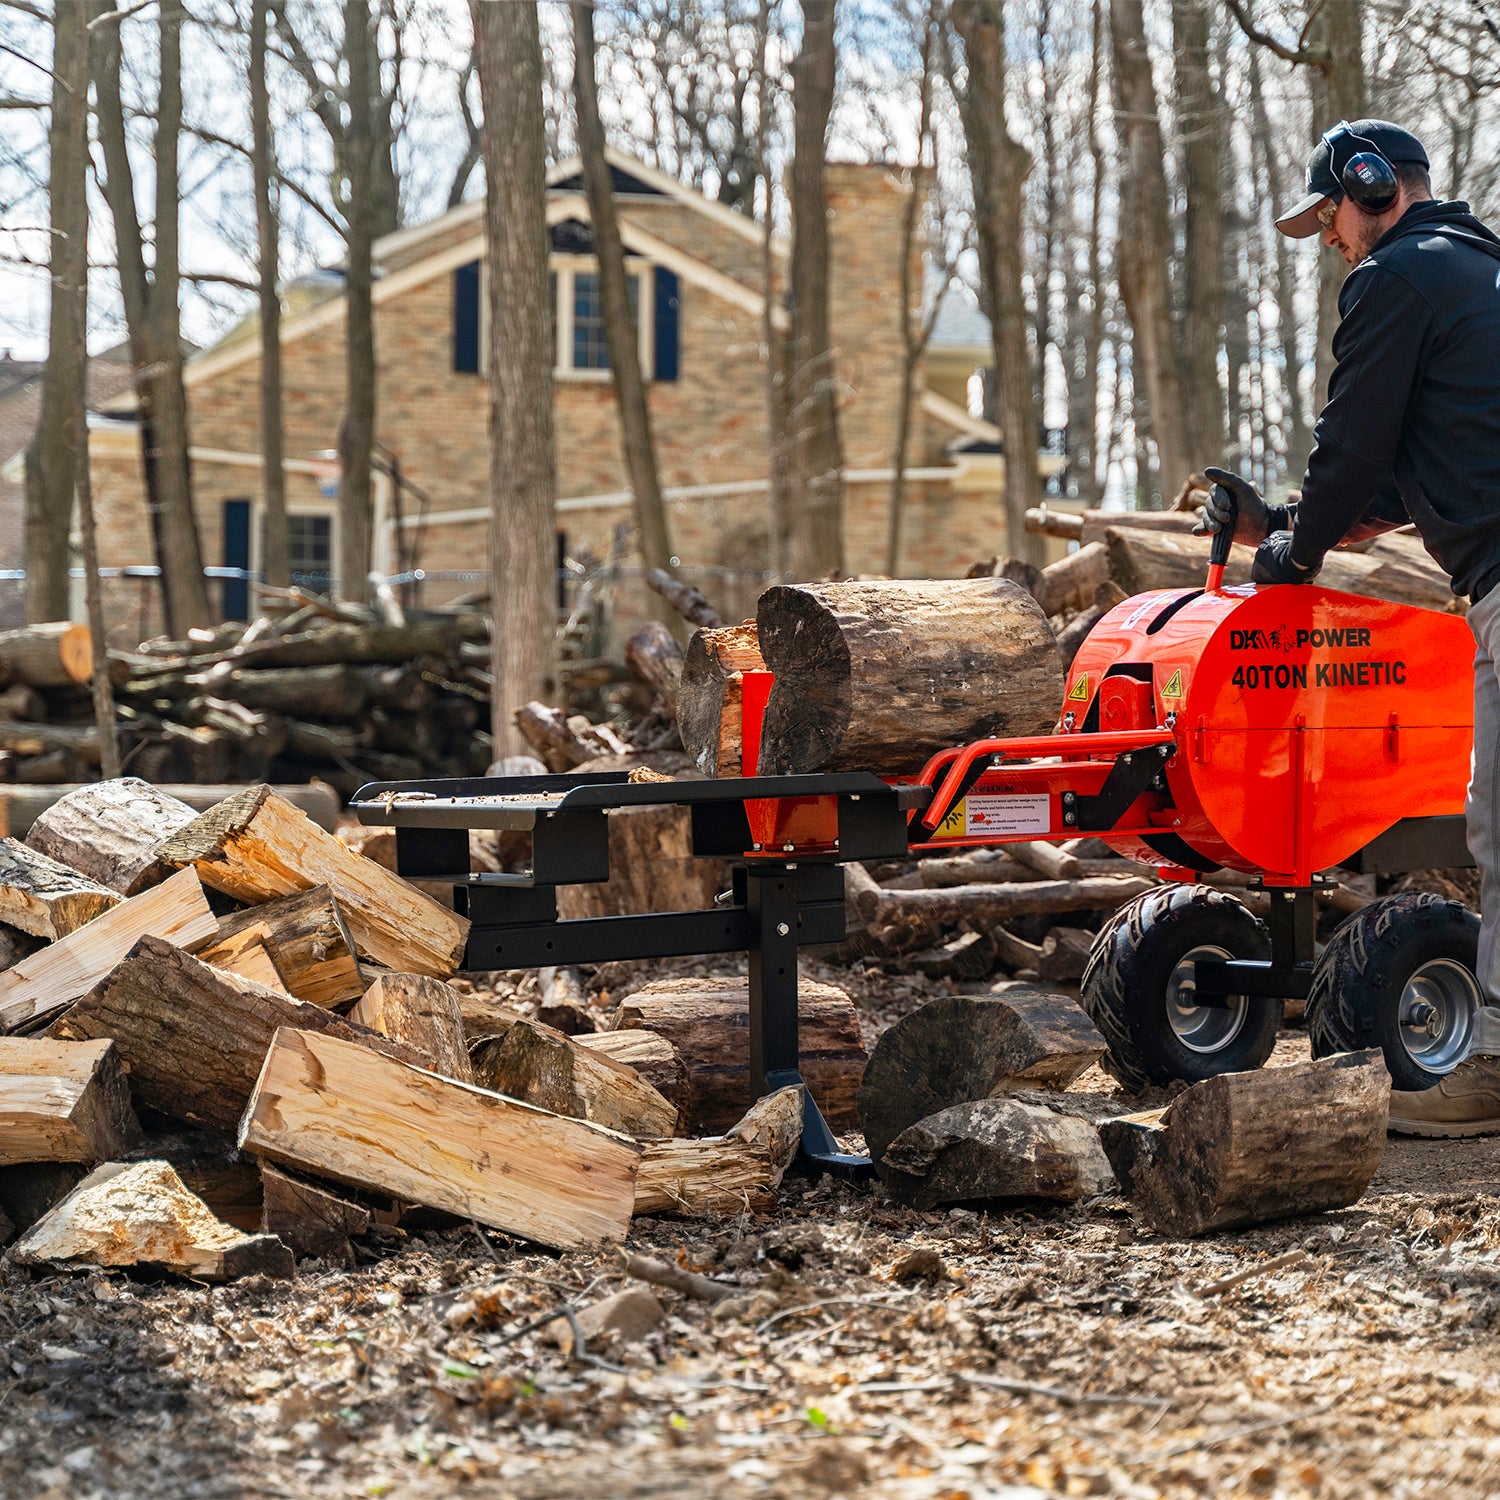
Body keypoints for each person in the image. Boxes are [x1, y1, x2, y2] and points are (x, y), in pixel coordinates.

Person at [1197, 119, 1500, 1137]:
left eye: (1330, 215)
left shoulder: (1396, 279)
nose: (1331, 239)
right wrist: (1285, 520)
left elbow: (1354, 438)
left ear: (1372, 189)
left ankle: (1493, 1067)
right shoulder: (1477, 273)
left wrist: (1292, 558)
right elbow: (1413, 468)